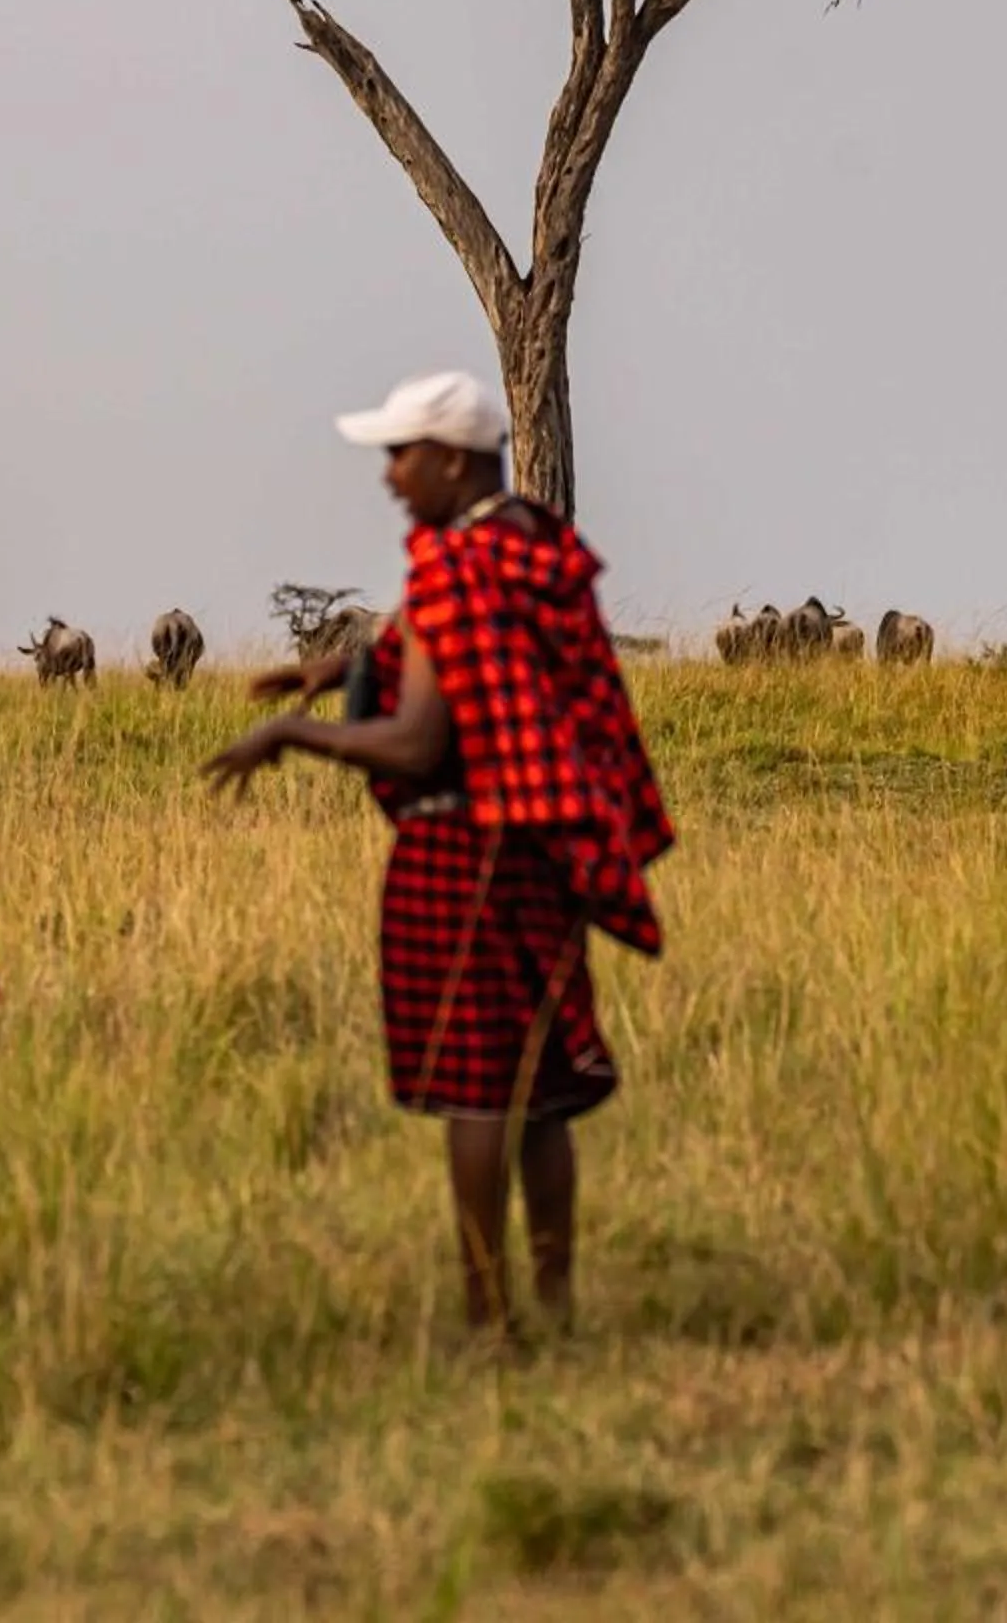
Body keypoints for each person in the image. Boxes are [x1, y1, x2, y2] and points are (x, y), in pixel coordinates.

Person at [203, 371, 671, 1342]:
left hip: (464, 849)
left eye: (400, 455)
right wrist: (341, 666)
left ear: (450, 459)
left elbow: (419, 742)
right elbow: (471, 651)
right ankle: (555, 1302)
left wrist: (294, 732)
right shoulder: (532, 543)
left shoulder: (456, 569)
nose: (388, 476)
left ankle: (485, 1313)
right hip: (544, 843)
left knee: (478, 1084)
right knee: (543, 1086)